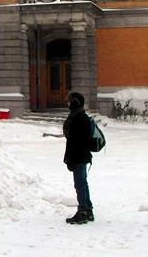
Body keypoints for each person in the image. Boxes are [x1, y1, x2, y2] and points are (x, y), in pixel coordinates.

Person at [63, 92, 94, 224]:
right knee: (83, 183)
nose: (67, 104)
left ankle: (82, 211)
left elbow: (74, 141)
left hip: (78, 156)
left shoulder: (77, 118)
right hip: (83, 155)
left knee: (80, 184)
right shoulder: (81, 116)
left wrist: (70, 159)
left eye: (69, 101)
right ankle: (88, 210)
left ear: (75, 102)